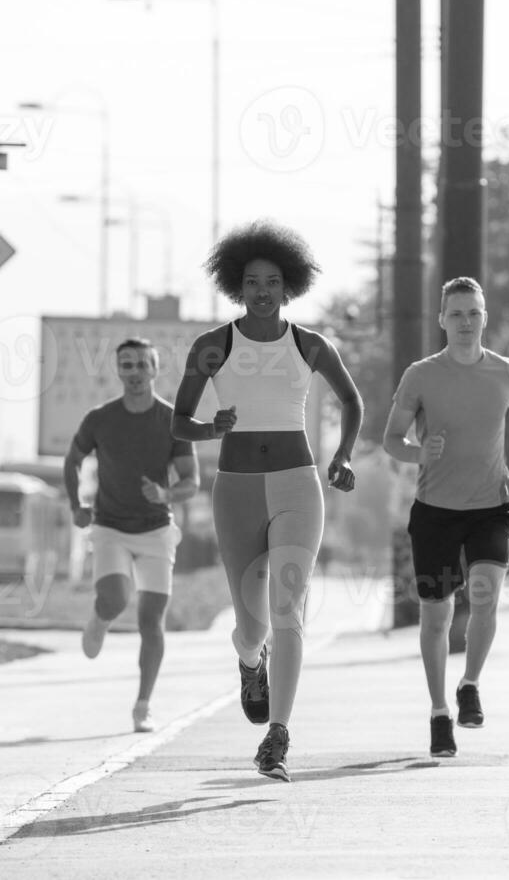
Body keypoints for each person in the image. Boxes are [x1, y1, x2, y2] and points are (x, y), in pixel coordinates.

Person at [173, 219, 363, 782]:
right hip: (235, 491)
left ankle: (277, 736)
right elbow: (179, 422)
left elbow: (351, 402)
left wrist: (344, 456)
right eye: (252, 281)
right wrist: (212, 428)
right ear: (237, 286)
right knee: (253, 625)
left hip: (296, 486)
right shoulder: (213, 346)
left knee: (288, 611)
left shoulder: (310, 345)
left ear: (289, 287)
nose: (262, 290)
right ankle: (248, 660)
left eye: (273, 281)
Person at [382, 276, 509, 759]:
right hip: (436, 513)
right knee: (437, 615)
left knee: (486, 597)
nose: (466, 322)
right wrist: (418, 451)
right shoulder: (421, 376)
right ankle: (438, 712)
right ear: (442, 320)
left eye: (474, 313)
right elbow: (391, 440)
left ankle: (469, 684)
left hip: (491, 506)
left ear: (485, 318)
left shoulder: (508, 372)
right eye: (457, 314)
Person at [64, 337, 199, 734]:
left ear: (155, 370)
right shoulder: (100, 418)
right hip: (109, 526)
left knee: (150, 620)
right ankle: (100, 618)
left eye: (142, 364)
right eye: (127, 365)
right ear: (118, 371)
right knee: (116, 597)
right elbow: (72, 461)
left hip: (156, 529)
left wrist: (166, 494)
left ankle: (143, 705)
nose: (135, 372)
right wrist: (76, 504)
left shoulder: (173, 420)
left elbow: (192, 481)